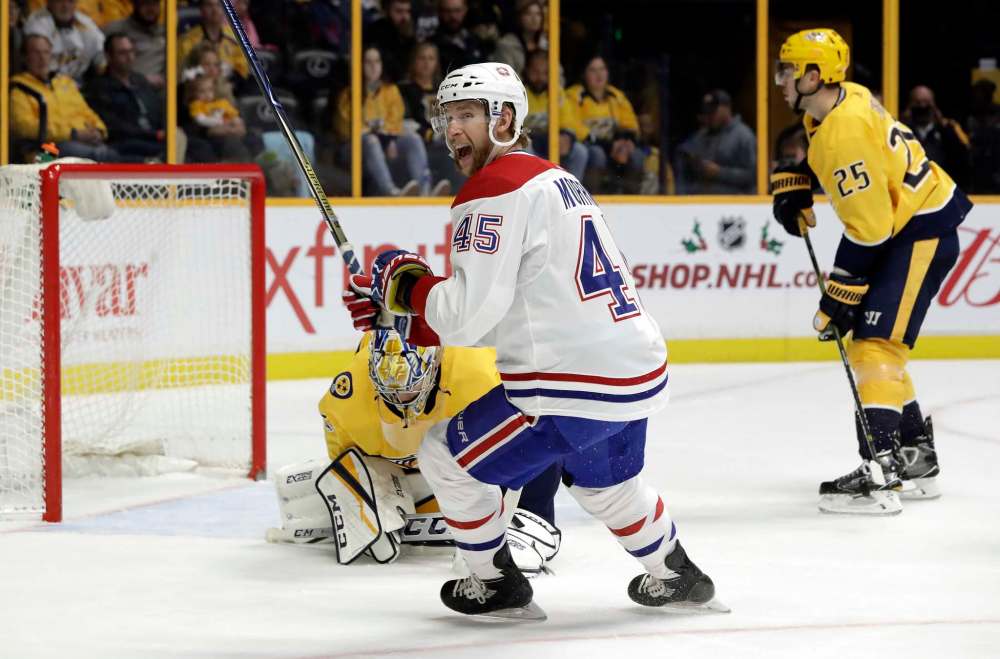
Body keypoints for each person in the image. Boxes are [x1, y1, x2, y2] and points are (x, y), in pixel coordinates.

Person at [346, 62, 724, 619]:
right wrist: (400, 311)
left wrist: (405, 285)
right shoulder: (557, 179)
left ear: (504, 118)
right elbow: (519, 307)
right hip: (632, 368)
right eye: (448, 116)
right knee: (608, 485)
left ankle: (493, 585)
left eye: (467, 115)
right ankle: (677, 574)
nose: (453, 130)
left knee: (444, 456)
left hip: (569, 381)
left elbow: (466, 317)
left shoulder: (495, 188)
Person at [771, 28, 973, 515]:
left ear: (814, 76)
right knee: (876, 343)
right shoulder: (847, 100)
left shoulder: (845, 131)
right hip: (912, 224)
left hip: (916, 232)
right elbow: (865, 170)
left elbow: (870, 229)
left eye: (788, 70)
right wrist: (801, 178)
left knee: (875, 345)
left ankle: (880, 473)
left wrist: (840, 293)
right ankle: (915, 458)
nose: (779, 79)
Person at [268, 328, 562, 571]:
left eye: (409, 388)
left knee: (545, 434)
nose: (400, 398)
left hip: (471, 458)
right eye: (390, 389)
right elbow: (351, 466)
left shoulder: (479, 375)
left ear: (434, 368)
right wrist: (360, 496)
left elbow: (531, 429)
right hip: (418, 469)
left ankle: (530, 519)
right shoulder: (345, 403)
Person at [334, 46, 436, 196]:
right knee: (371, 140)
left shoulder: (390, 91)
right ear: (360, 65)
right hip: (354, 147)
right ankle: (391, 191)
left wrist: (389, 139)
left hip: (387, 141)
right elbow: (347, 128)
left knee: (413, 139)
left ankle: (424, 190)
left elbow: (396, 121)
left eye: (377, 61)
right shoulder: (349, 94)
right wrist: (383, 138)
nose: (373, 66)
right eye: (368, 62)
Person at [12, 33, 120, 162]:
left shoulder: (64, 82)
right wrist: (72, 134)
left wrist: (99, 130)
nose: (42, 58)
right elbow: (24, 127)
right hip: (43, 149)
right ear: (25, 57)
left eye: (46, 52)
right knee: (103, 156)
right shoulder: (18, 87)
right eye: (36, 52)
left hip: (81, 142)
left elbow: (86, 111)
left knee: (114, 151)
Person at [566, 55, 645, 193]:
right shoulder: (573, 95)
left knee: (637, 155)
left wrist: (627, 142)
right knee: (597, 154)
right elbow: (573, 126)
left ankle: (630, 200)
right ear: (584, 74)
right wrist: (608, 146)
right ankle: (593, 199)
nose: (599, 75)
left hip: (615, 147)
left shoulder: (616, 96)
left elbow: (630, 123)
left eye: (602, 69)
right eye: (593, 70)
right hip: (591, 146)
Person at [85, 33, 165, 161]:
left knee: (197, 145)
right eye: (122, 53)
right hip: (127, 142)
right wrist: (153, 135)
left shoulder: (140, 80)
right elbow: (115, 127)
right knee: (165, 151)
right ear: (108, 56)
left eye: (131, 51)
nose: (129, 57)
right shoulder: (98, 88)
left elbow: (159, 111)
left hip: (155, 137)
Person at [521, 49, 588, 181]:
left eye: (545, 73)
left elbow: (568, 121)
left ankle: (571, 195)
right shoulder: (518, 93)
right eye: (535, 72)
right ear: (527, 71)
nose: (540, 77)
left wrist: (567, 136)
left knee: (580, 151)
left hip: (552, 145)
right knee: (525, 149)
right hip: (532, 146)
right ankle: (530, 192)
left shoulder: (556, 93)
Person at [676, 89, 757, 194]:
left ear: (726, 108)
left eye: (713, 112)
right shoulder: (702, 135)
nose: (709, 117)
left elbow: (753, 176)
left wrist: (719, 172)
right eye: (707, 112)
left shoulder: (744, 136)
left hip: (735, 205)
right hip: (704, 202)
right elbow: (683, 153)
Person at [902, 85, 971, 190]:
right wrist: (904, 122)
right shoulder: (903, 132)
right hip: (911, 190)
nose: (922, 107)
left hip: (943, 190)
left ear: (933, 105)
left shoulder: (948, 130)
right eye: (917, 102)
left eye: (926, 102)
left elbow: (963, 157)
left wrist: (945, 128)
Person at [22, 0, 106, 84]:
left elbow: (101, 55)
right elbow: (39, 69)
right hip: (47, 83)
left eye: (70, 1)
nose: (66, 6)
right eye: (60, 1)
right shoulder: (37, 23)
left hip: (79, 83)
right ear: (48, 2)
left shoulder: (84, 23)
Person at [103, 0, 166, 90]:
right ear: (135, 4)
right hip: (126, 91)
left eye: (155, 3)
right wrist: (141, 80)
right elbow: (101, 67)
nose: (151, 8)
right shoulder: (116, 29)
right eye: (145, 3)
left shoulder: (166, 32)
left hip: (162, 93)